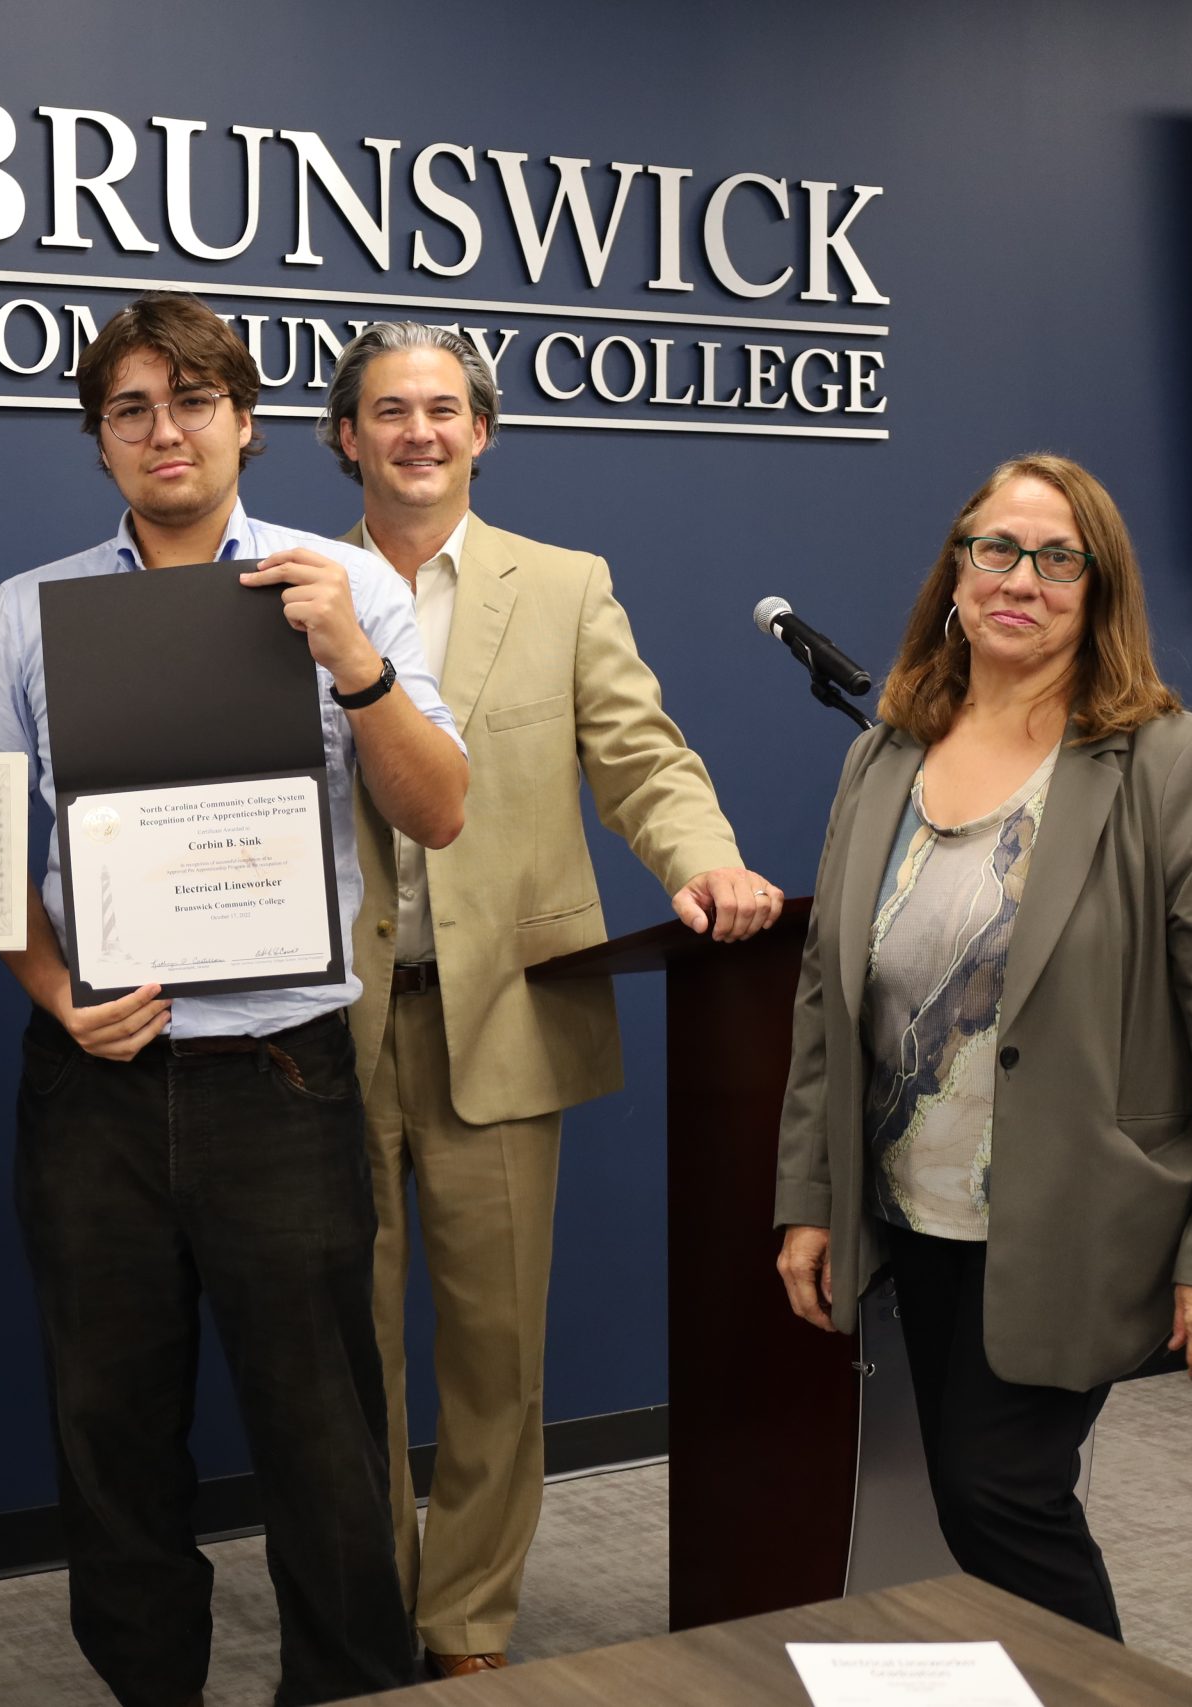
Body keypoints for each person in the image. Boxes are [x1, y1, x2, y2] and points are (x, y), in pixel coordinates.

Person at [0, 291, 468, 1706]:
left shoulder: (348, 586)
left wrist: (355, 669)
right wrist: (60, 993)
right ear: (100, 441)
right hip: (94, 1085)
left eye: (191, 401)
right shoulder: (29, 610)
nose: (162, 430)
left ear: (246, 421)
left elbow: (440, 809)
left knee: (327, 1440)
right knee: (110, 1438)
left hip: (282, 1075)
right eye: (130, 408)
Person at [317, 322, 783, 1676]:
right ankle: (365, 1616)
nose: (419, 431)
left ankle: (464, 1626)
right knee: (353, 1356)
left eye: (444, 410)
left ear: (483, 433)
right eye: (389, 409)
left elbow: (642, 755)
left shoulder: (565, 585)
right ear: (346, 435)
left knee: (498, 1355)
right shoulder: (287, 585)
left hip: (507, 1016)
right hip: (322, 1029)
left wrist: (707, 859)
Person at [772, 452, 1192, 1639]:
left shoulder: (1173, 761)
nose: (1023, 579)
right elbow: (824, 997)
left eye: (1061, 559)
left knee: (999, 1490)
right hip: (915, 1205)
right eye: (996, 549)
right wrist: (810, 1195)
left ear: (1099, 590)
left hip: (1078, 1214)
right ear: (954, 573)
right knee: (980, 1495)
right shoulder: (883, 757)